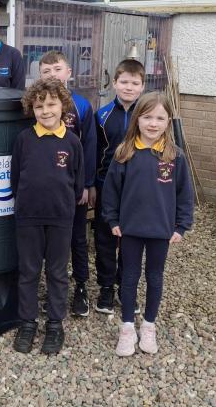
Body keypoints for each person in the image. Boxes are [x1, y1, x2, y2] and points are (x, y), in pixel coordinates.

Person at [101, 92, 194, 357]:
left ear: (168, 122)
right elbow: (111, 191)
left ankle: (149, 326)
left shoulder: (174, 156)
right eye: (147, 117)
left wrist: (181, 225)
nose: (153, 123)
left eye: (160, 118)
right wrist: (113, 219)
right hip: (130, 229)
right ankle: (127, 328)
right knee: (129, 277)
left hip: (160, 230)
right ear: (137, 119)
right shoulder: (124, 153)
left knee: (155, 277)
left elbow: (184, 195)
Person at [11, 79, 84, 355]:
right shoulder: (24, 139)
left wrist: (66, 204)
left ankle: (55, 324)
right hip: (28, 216)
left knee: (57, 272)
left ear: (62, 105)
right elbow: (15, 178)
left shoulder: (72, 142)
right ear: (32, 108)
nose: (46, 110)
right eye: (39, 105)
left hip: (61, 217)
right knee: (28, 272)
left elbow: (78, 182)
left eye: (51, 104)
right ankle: (27, 323)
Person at [38, 50, 96, 317]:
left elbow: (89, 147)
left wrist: (86, 184)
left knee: (76, 239)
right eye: (47, 71)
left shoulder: (82, 106)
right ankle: (50, 289)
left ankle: (81, 287)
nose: (53, 75)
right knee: (47, 241)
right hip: (45, 189)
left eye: (58, 69)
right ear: (39, 75)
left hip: (73, 188)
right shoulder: (35, 105)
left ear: (69, 73)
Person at [89, 59, 145, 315]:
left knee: (131, 239)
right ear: (114, 84)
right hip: (105, 187)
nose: (129, 87)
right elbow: (92, 151)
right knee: (105, 239)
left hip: (135, 190)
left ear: (142, 86)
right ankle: (106, 287)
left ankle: (126, 286)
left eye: (135, 83)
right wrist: (91, 185)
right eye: (124, 82)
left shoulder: (146, 117)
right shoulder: (101, 115)